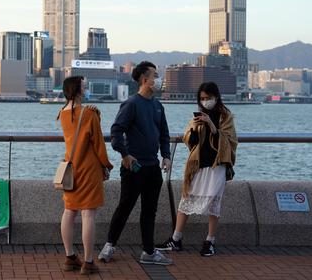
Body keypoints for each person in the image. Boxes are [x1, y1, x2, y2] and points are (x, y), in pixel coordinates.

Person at [98, 61, 173, 266]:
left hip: (153, 168)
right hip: (133, 167)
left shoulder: (158, 106)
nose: (158, 79)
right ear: (144, 79)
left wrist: (166, 156)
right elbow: (116, 131)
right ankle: (109, 245)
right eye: (155, 76)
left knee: (150, 211)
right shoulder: (131, 104)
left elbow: (164, 135)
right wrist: (124, 154)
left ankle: (149, 252)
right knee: (125, 206)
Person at [156, 81, 238, 257]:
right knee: (186, 200)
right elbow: (189, 140)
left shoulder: (225, 116)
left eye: (208, 98)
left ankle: (210, 241)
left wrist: (211, 124)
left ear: (216, 97)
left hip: (217, 166)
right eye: (202, 98)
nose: (205, 101)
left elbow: (230, 141)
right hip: (198, 165)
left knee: (213, 203)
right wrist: (193, 129)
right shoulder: (198, 115)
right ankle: (176, 239)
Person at [57, 76, 114, 275]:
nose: (86, 88)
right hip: (89, 170)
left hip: (70, 170)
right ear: (78, 90)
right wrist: (106, 165)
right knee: (88, 214)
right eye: (84, 85)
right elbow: (98, 144)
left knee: (69, 211)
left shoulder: (61, 113)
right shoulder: (89, 114)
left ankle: (70, 256)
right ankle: (88, 262)